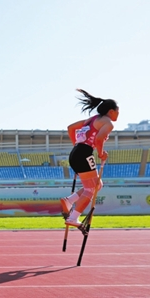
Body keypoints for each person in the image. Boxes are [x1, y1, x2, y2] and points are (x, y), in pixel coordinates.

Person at [59, 89, 119, 230]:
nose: (118, 114)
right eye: (117, 111)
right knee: (91, 189)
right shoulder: (108, 123)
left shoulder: (91, 120)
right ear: (111, 111)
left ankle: (69, 201)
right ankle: (73, 218)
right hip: (84, 153)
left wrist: (76, 144)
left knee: (97, 185)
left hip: (76, 153)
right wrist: (101, 153)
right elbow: (98, 139)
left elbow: (71, 128)